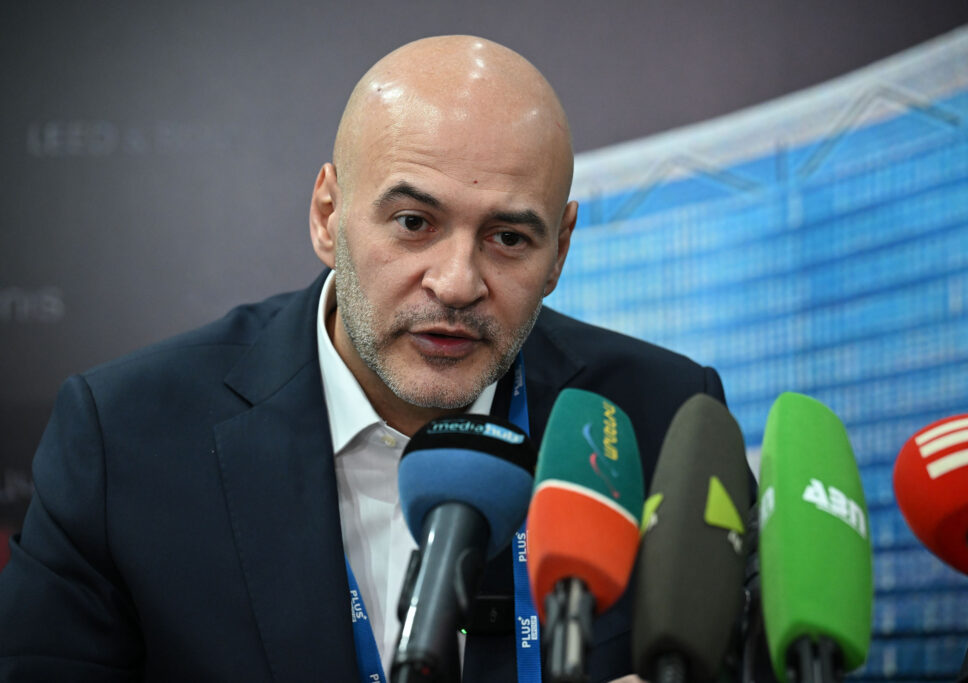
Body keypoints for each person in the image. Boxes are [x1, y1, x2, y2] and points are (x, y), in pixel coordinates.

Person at [0, 36, 733, 681]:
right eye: (414, 222)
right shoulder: (122, 440)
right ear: (329, 216)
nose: (457, 283)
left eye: (509, 238)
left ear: (560, 250)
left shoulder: (664, 418)